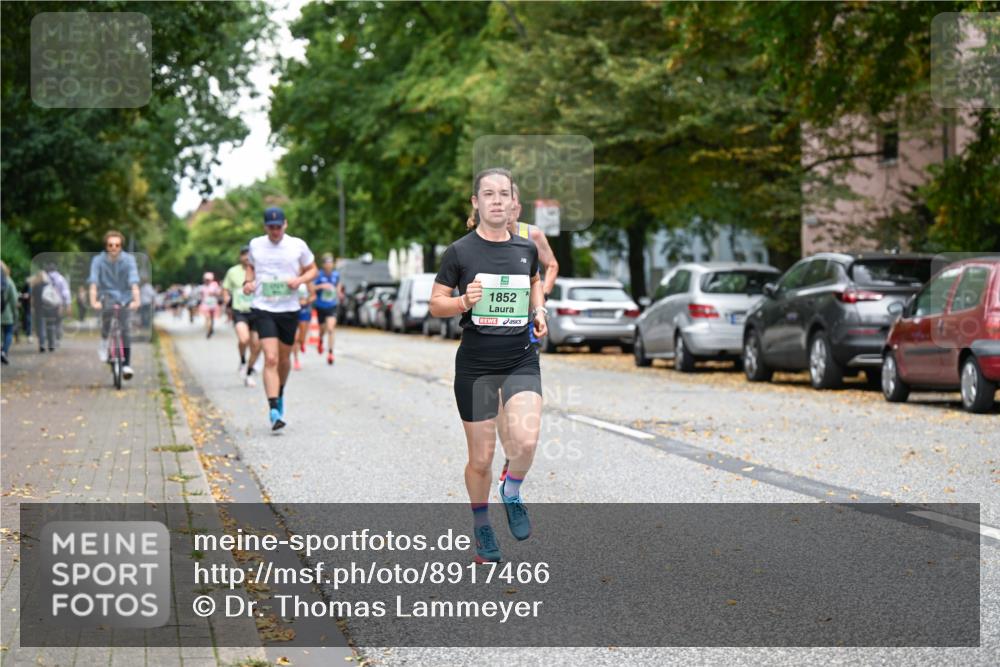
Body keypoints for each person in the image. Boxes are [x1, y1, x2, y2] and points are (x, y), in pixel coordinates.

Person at [429, 168, 548, 564]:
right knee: (481, 458)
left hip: (520, 357)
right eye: (488, 194)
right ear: (476, 203)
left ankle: (511, 490)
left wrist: (539, 310)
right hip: (477, 363)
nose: (497, 200)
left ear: (514, 203)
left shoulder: (526, 248)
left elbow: (534, 281)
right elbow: (436, 303)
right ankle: (482, 527)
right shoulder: (460, 252)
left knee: (526, 441)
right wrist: (465, 301)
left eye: (504, 194)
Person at [242, 207, 318, 430]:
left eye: (278, 227)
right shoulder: (256, 244)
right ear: (265, 227)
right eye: (270, 227)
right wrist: (248, 282)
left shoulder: (297, 245)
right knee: (271, 358)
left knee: (284, 360)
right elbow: (251, 266)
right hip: (263, 307)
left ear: (285, 224)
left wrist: (300, 279)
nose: (275, 231)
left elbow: (312, 269)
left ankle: (280, 391)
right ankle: (274, 410)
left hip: (289, 308)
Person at [88, 230, 141, 380]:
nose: (114, 248)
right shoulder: (98, 260)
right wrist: (94, 301)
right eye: (110, 245)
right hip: (106, 295)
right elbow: (93, 282)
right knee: (107, 318)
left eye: (117, 245)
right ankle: (104, 342)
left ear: (121, 246)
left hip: (125, 296)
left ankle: (126, 365)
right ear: (106, 246)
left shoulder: (129, 260)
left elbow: (134, 281)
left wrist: (136, 299)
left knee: (125, 329)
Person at [222, 245, 261, 387]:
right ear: (240, 257)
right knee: (244, 339)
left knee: (256, 345)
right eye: (244, 254)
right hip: (239, 311)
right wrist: (226, 297)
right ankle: (243, 360)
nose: (246, 257)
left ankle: (249, 371)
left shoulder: (260, 270)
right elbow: (225, 288)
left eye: (248, 255)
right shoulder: (232, 272)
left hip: (257, 311)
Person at [313, 253, 344, 365]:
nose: (329, 265)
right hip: (321, 306)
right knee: (322, 329)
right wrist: (321, 286)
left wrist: (339, 292)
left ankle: (330, 353)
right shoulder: (318, 275)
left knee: (331, 328)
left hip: (332, 305)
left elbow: (338, 284)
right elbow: (312, 287)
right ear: (323, 264)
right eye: (327, 262)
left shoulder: (336, 275)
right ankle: (320, 340)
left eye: (331, 262)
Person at [292, 283, 313, 371]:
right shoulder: (292, 277)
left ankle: (302, 342)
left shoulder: (308, 283)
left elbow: (314, 296)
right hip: (294, 310)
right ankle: (296, 360)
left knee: (302, 337)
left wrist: (307, 300)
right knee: (295, 338)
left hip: (305, 311)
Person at [1, 262, 18, 365]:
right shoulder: (8, 281)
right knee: (8, 333)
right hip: (6, 313)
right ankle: (4, 351)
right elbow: (14, 299)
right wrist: (14, 312)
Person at [199, 272, 222, 338]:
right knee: (209, 318)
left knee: (211, 318)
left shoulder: (214, 285)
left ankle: (210, 329)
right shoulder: (203, 287)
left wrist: (213, 293)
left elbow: (218, 293)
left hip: (212, 304)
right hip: (207, 304)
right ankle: (209, 330)